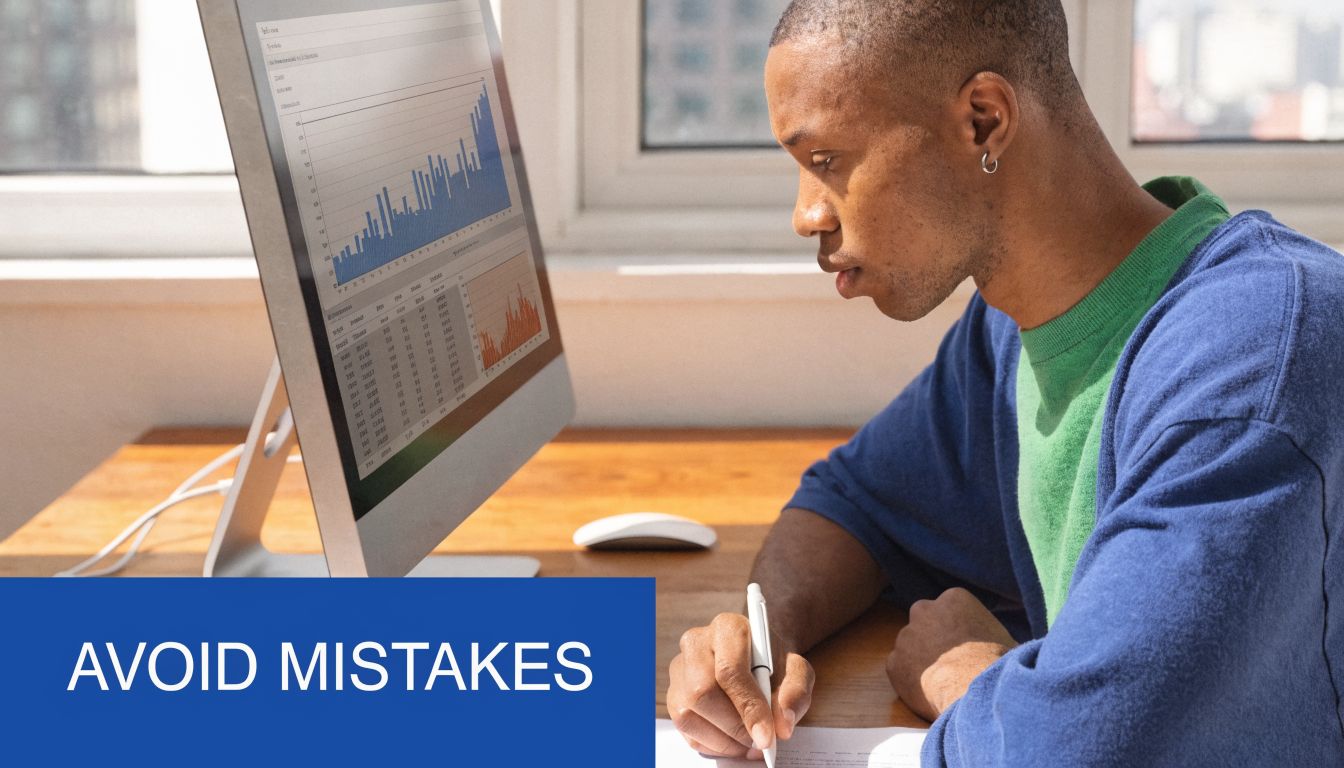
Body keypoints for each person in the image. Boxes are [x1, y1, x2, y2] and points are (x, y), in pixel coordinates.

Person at [665, 0, 1344, 765]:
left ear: (984, 120)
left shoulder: (1254, 366)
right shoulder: (1015, 328)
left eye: (825, 161)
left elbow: (1085, 751)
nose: (805, 215)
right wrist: (765, 634)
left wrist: (964, 679)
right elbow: (857, 507)